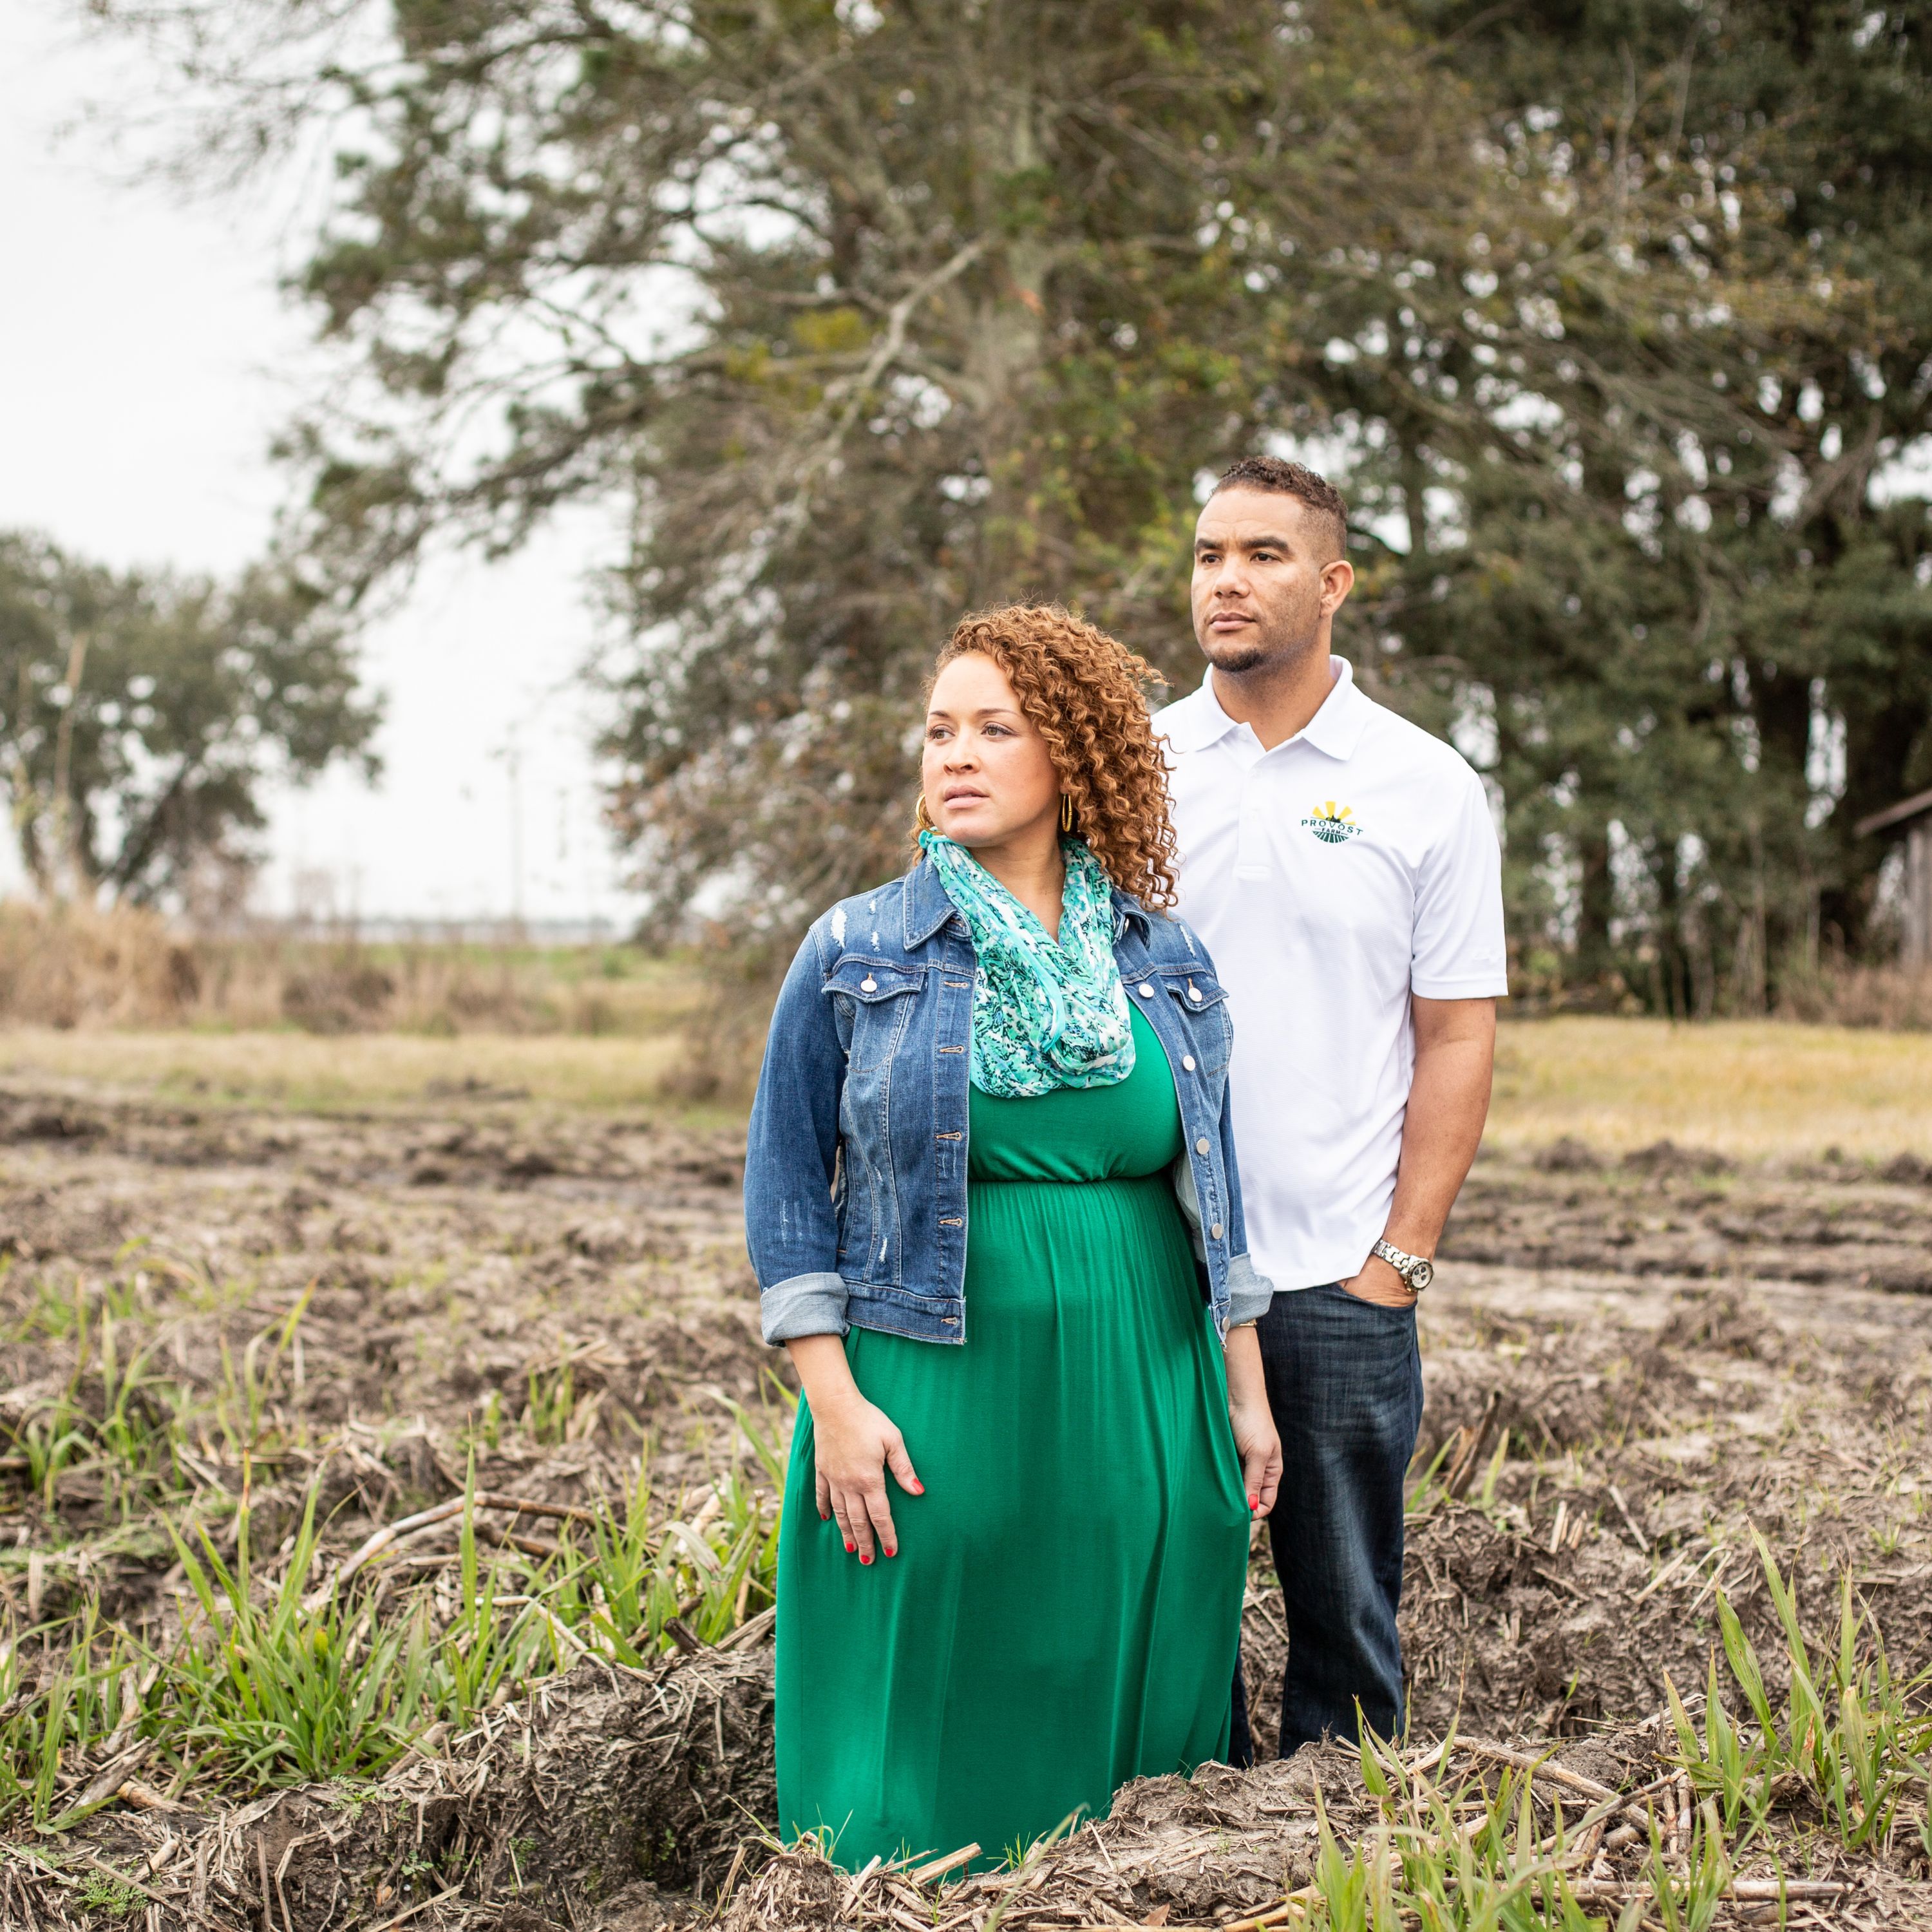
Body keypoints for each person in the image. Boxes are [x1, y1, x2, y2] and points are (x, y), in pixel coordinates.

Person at [745, 604, 1283, 1870]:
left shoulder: (1167, 963)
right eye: (939, 731)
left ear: (1078, 759)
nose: (957, 755)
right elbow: (784, 1198)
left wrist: (1246, 1402)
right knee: (924, 1675)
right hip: (930, 1380)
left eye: (997, 728)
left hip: (1145, 1378)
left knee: (1117, 1677)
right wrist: (834, 1405)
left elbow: (1217, 1198)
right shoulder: (857, 949)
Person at [1153, 455, 1506, 1759]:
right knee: (1160, 1580)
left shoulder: (1424, 784)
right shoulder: (1132, 764)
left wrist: (1397, 1259)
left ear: (1334, 583)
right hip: (1156, 1264)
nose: (1227, 580)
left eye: (1263, 554)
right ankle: (1164, 1832)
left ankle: (1338, 1844)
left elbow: (1459, 1031)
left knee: (1345, 1620)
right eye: (1207, 556)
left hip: (1334, 1272)